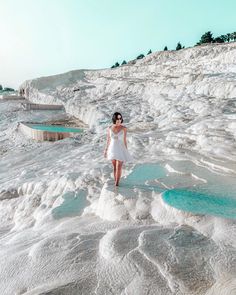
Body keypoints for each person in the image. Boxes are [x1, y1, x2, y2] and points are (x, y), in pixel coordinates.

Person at [104, 112, 132, 186]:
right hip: (112, 149)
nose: (119, 120)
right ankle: (115, 181)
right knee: (114, 167)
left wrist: (126, 151)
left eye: (120, 118)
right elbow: (108, 140)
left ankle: (117, 184)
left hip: (120, 149)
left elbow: (124, 140)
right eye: (117, 118)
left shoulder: (124, 128)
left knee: (119, 166)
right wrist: (106, 150)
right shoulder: (109, 128)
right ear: (114, 119)